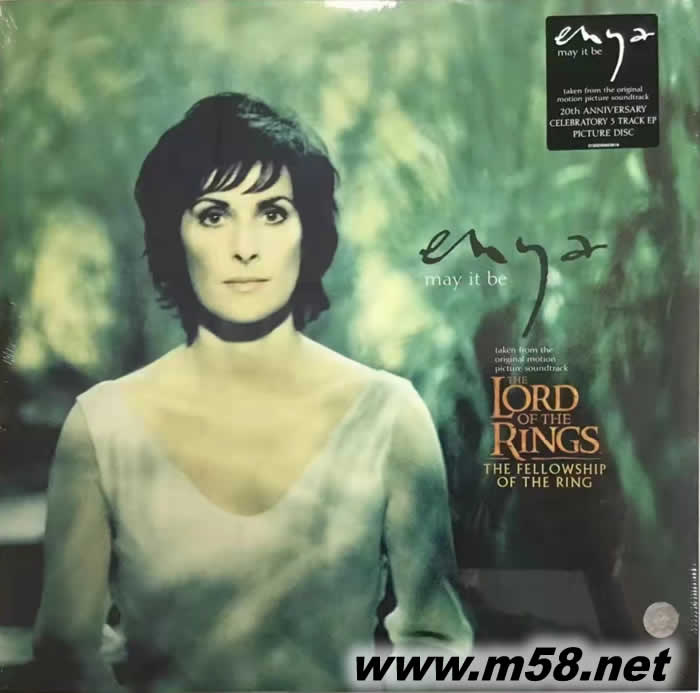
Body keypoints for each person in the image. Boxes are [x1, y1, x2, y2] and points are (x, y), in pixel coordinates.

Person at [32, 92, 473, 692]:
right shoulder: (102, 426)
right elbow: (67, 658)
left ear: (307, 231)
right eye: (213, 215)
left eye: (272, 213)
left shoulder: (389, 415)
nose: (245, 246)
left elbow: (437, 645)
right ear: (174, 235)